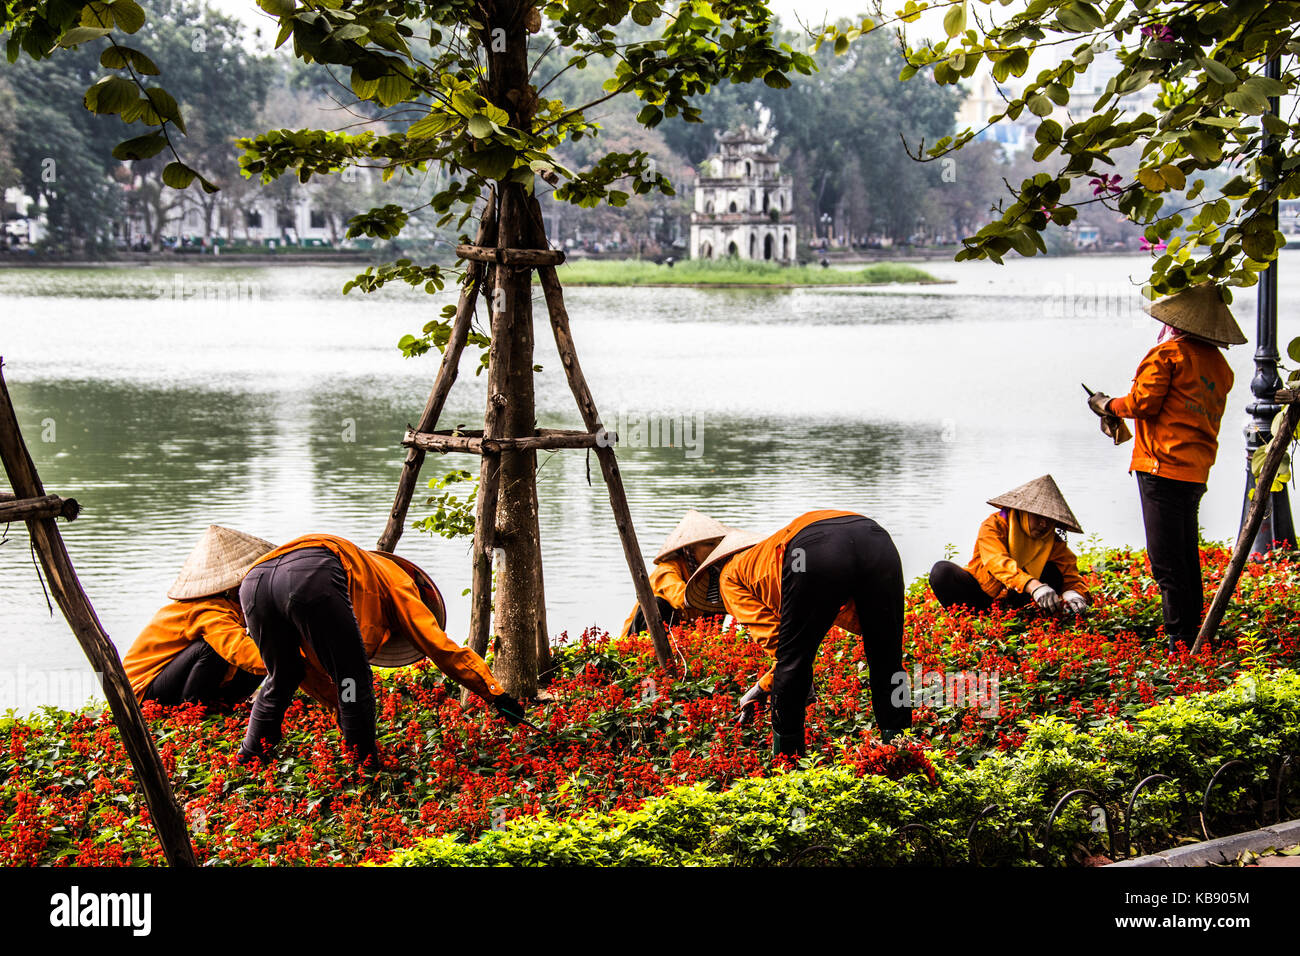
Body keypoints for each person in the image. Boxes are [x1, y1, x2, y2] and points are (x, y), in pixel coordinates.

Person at [236, 533, 526, 766]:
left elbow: (314, 675)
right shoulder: (399, 581)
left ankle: (250, 756)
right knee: (353, 676)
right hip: (310, 574)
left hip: (254, 582)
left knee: (284, 674)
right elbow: (438, 646)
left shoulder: (364, 574)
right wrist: (493, 693)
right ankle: (364, 764)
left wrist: (343, 706)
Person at [1087, 282, 1243, 652]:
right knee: (1185, 555)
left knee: (1166, 561)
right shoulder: (1219, 366)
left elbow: (1142, 404)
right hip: (1195, 470)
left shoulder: (1168, 354)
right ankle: (1195, 634)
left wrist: (1106, 404)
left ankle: (1180, 641)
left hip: (1160, 468)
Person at [685, 511, 912, 756]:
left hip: (813, 550)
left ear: (713, 571)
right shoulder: (766, 552)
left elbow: (780, 648)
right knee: (888, 659)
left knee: (792, 665)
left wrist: (765, 686)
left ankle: (788, 764)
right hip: (876, 539)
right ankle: (901, 753)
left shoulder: (729, 577)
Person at [123, 526, 273, 710]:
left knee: (263, 642)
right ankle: (193, 707)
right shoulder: (205, 610)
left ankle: (223, 703)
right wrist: (292, 663)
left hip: (172, 681)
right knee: (210, 648)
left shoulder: (230, 607)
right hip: (142, 692)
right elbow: (237, 649)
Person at [928, 475, 1090, 616]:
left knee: (1053, 572)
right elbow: (996, 561)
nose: (1043, 524)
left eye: (1050, 520)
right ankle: (967, 619)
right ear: (1024, 511)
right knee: (942, 571)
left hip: (1018, 601)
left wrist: (1073, 594)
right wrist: (1033, 586)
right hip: (983, 593)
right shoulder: (994, 525)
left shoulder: (1053, 541)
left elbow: (1070, 575)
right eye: (1038, 517)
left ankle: (1021, 615)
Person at [620, 510, 729, 637]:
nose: (716, 548)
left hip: (684, 634)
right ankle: (648, 650)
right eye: (710, 544)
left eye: (719, 542)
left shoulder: (709, 571)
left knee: (716, 602)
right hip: (642, 634)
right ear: (690, 547)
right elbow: (681, 598)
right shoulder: (667, 568)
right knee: (659, 604)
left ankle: (709, 645)